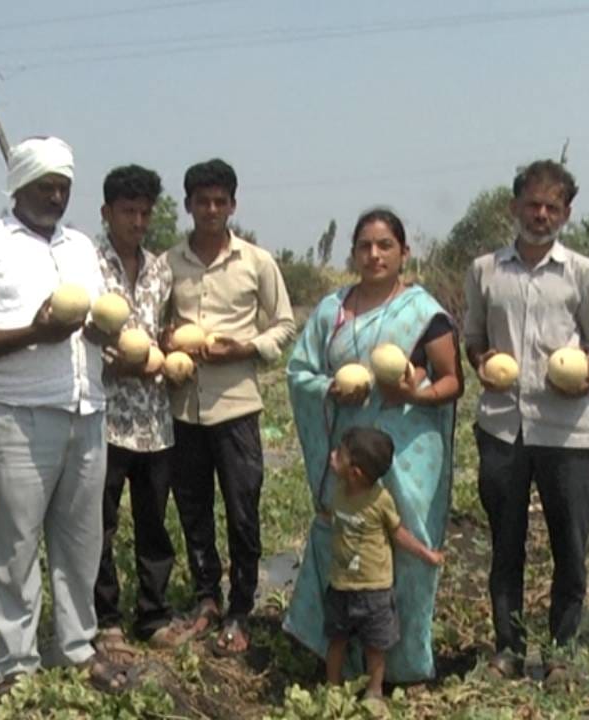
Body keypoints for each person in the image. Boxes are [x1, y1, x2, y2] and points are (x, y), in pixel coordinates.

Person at [0, 136, 120, 696]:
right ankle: (16, 665)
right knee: (15, 548)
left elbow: (96, 320)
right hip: (20, 418)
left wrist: (100, 333)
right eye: (46, 183)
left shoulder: (83, 249)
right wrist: (33, 334)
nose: (56, 193)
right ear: (17, 184)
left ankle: (75, 648)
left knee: (80, 543)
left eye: (64, 184)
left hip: (86, 411)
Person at [284, 209, 461, 681]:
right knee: (344, 537)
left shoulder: (425, 314)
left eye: (385, 245)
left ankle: (400, 665)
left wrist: (412, 394)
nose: (375, 254)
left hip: (406, 457)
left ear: (404, 253)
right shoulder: (332, 311)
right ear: (353, 253)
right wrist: (331, 390)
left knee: (404, 544)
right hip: (349, 456)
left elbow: (451, 382)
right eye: (365, 245)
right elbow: (299, 372)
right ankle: (336, 657)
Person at [462, 159, 589, 679]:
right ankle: (508, 648)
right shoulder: (485, 271)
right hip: (502, 424)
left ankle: (561, 652)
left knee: (570, 544)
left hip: (567, 428)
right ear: (514, 207)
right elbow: (474, 340)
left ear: (566, 213)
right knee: (506, 542)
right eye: (533, 204)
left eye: (552, 207)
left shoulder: (584, 274)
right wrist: (482, 364)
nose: (541, 214)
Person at [161, 158, 296, 655]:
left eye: (220, 201)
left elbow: (283, 325)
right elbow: (152, 326)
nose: (212, 209)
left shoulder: (256, 262)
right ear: (189, 205)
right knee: (193, 510)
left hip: (237, 406)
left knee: (243, 510)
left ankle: (240, 608)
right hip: (184, 408)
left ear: (233, 205)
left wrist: (243, 348)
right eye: (202, 201)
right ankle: (205, 600)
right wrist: (169, 341)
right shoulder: (168, 262)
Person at [91, 165, 177, 658]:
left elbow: (162, 331)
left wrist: (165, 354)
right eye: (128, 211)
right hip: (104, 416)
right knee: (101, 525)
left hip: (154, 421)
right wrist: (122, 363)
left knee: (153, 524)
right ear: (107, 212)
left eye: (145, 212)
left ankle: (154, 613)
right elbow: (84, 331)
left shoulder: (160, 269)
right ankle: (107, 621)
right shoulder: (87, 264)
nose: (138, 221)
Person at [322, 427, 444, 698]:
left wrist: (426, 554)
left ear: (355, 473)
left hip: (374, 590)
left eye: (338, 454)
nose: (332, 456)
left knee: (375, 646)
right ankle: (332, 687)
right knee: (336, 640)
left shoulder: (380, 500)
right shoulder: (339, 491)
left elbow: (398, 533)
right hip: (340, 586)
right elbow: (331, 517)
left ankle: (375, 691)